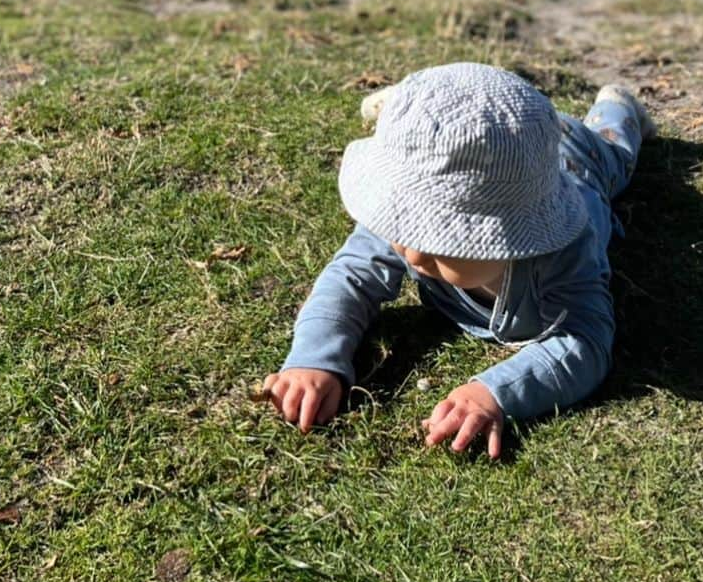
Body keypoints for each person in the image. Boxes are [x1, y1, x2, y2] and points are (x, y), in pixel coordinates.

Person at [258, 62, 655, 458]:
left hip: (577, 159)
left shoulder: (564, 252)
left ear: (514, 238)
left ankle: (616, 107)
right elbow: (349, 277)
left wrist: (494, 393)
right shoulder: (400, 212)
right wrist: (314, 358)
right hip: (476, 152)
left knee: (616, 151)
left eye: (444, 242)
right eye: (406, 229)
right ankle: (408, 116)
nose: (412, 253)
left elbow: (584, 341)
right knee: (439, 140)